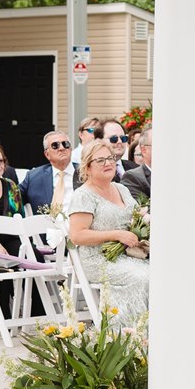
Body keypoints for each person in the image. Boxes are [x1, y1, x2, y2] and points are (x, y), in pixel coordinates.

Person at [63, 138, 149, 326]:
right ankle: (128, 335)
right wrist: (116, 234)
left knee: (163, 273)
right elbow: (77, 235)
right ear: (87, 168)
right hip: (98, 259)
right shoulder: (84, 195)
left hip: (127, 255)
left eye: (110, 158)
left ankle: (160, 334)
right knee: (144, 277)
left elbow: (136, 215)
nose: (108, 163)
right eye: (100, 160)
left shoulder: (121, 189)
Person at [21, 130, 78, 213]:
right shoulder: (34, 177)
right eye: (55, 145)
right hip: (45, 225)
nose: (61, 148)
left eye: (65, 144)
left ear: (70, 149)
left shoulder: (87, 172)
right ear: (47, 154)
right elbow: (13, 199)